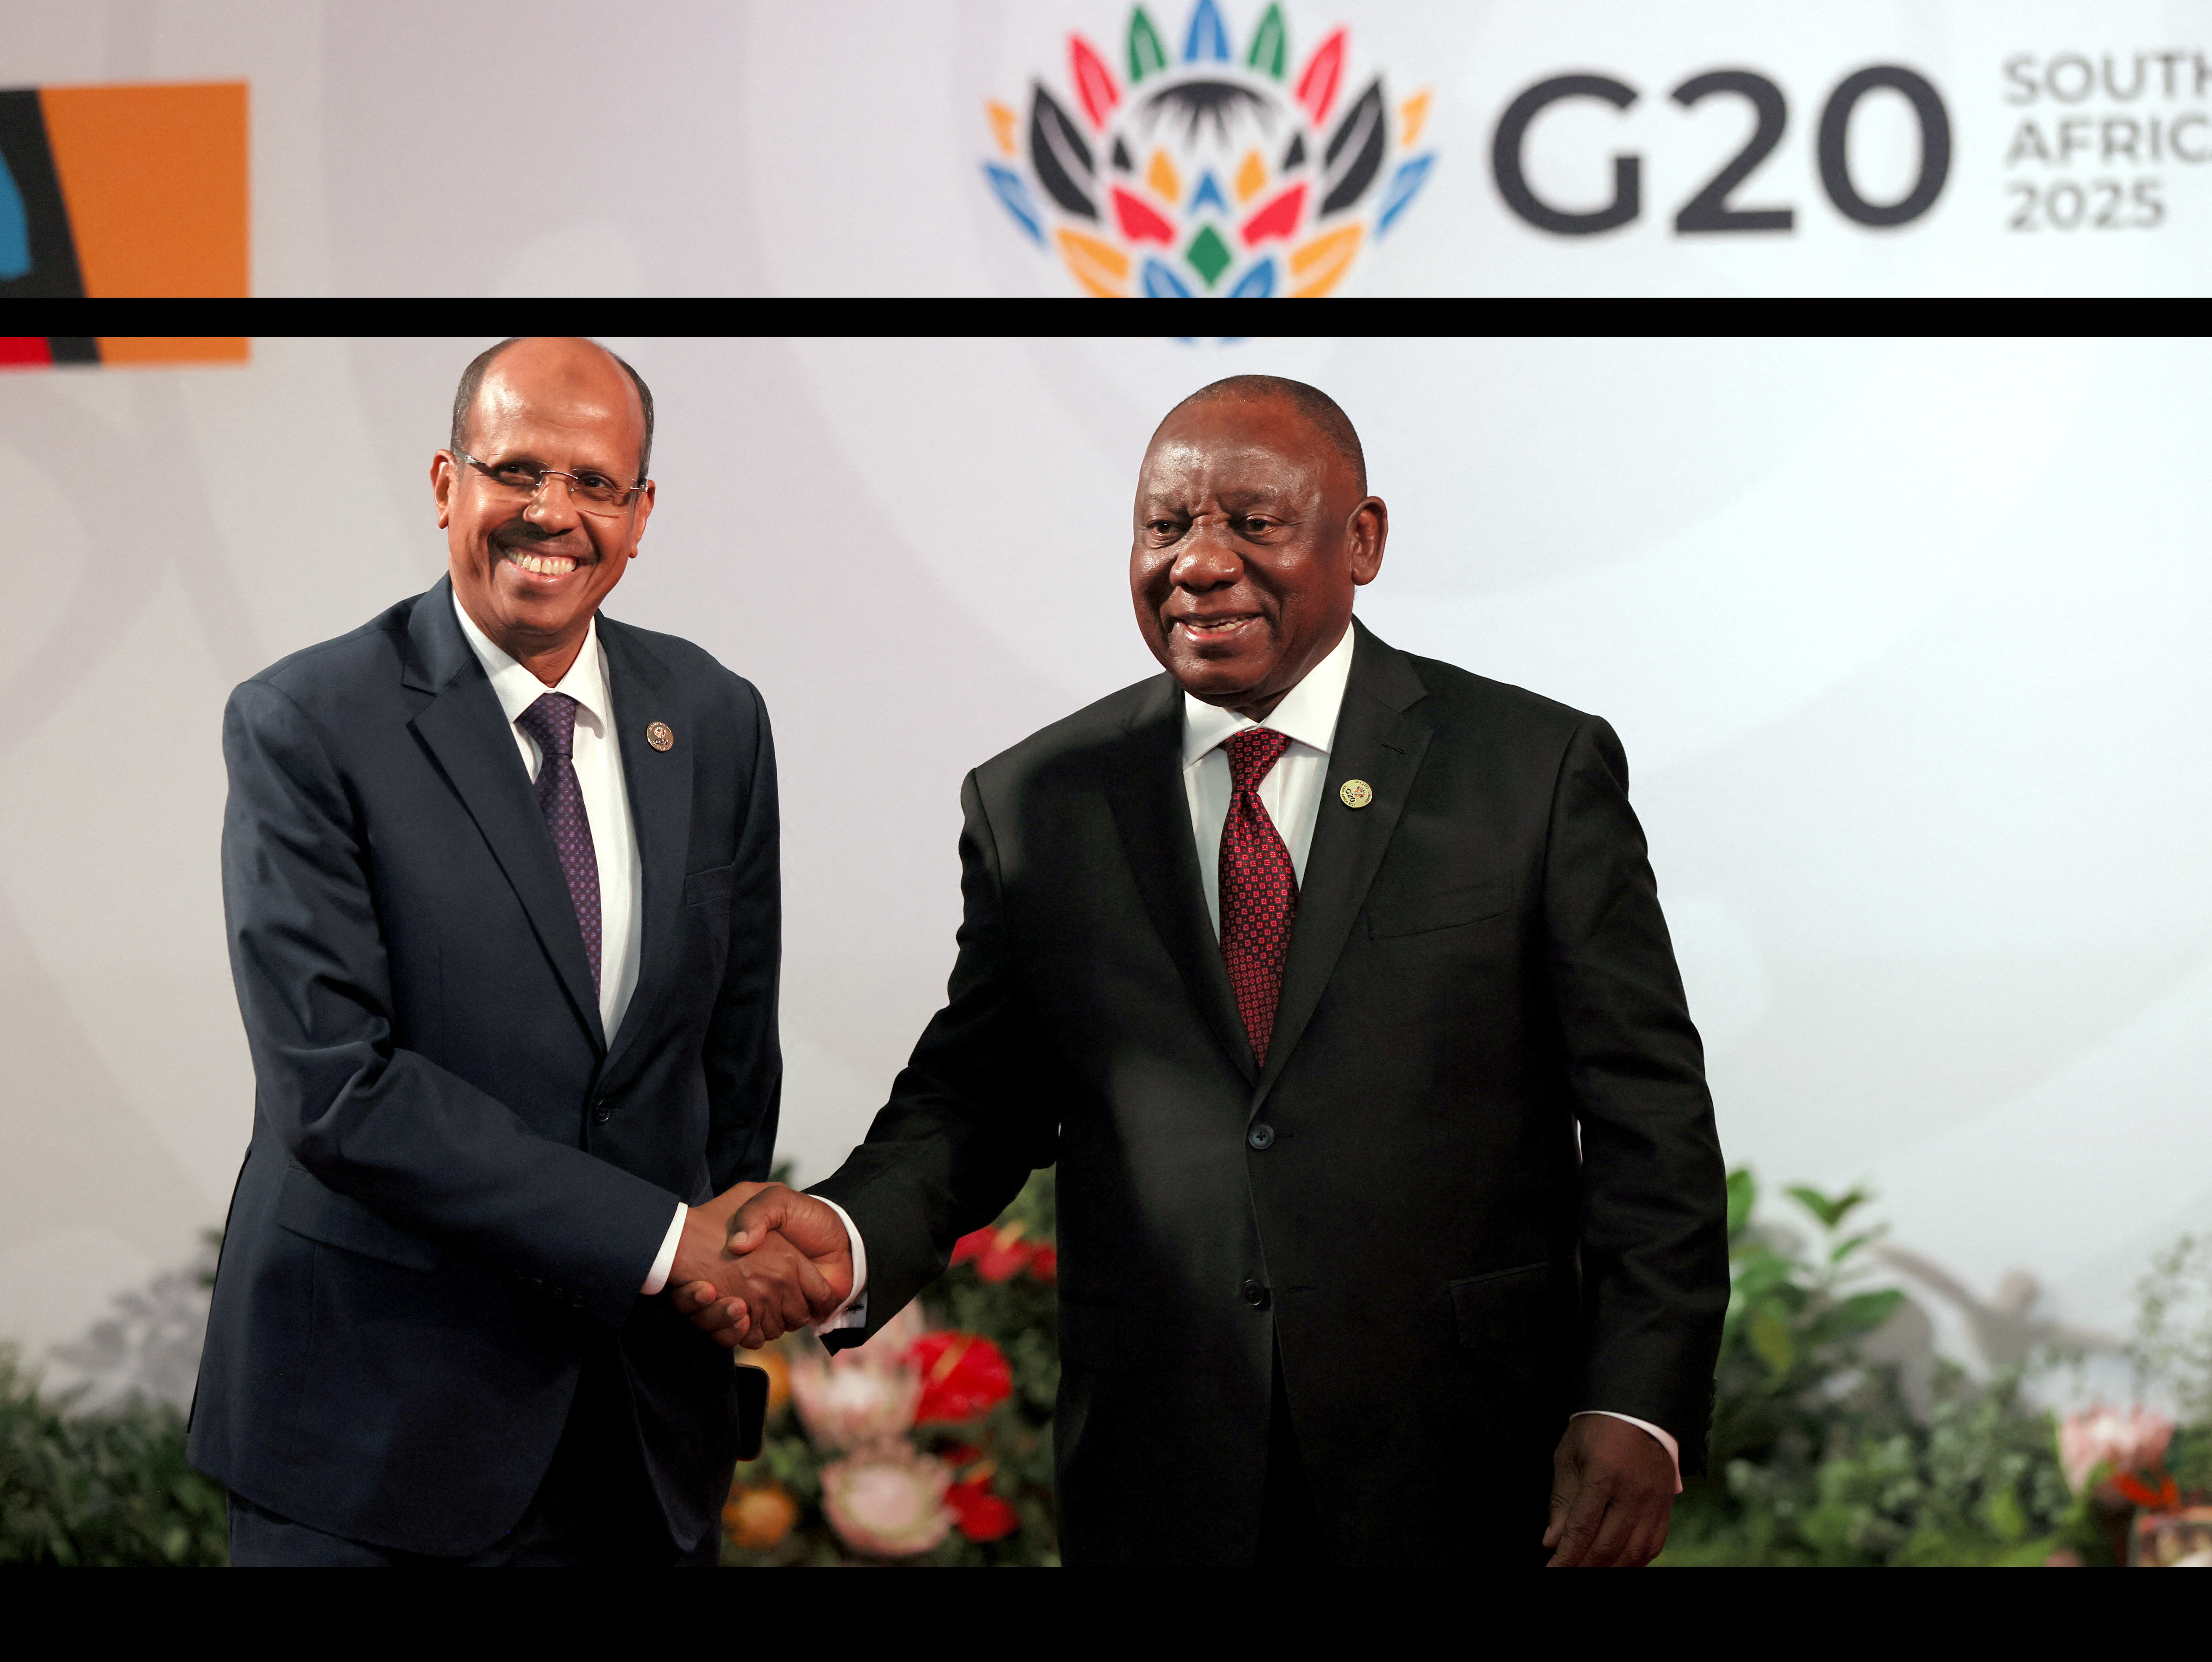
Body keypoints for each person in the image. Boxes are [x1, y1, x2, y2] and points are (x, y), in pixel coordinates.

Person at [696, 376, 1728, 1566]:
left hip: (1466, 1456)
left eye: (1252, 521)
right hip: (1161, 1466)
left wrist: (1636, 1399)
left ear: (1362, 540)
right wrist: (847, 1229)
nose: (1197, 561)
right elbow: (976, 1098)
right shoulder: (1039, 800)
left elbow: (1648, 1117)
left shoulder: (1531, 770)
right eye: (1165, 524)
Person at [189, 336, 835, 1565]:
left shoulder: (712, 716)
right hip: (377, 1441)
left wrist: (729, 1253)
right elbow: (337, 1087)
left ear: (641, 514)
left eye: (595, 483)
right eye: (516, 470)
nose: (553, 512)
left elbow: (728, 1052)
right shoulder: (307, 722)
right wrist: (665, 1241)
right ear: (447, 484)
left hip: (638, 1441)